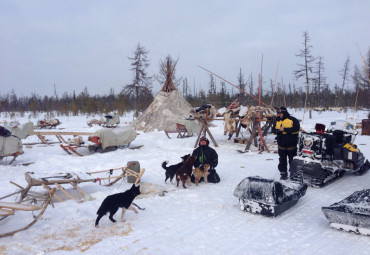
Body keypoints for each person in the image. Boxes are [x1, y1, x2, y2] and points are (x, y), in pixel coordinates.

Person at [273, 107, 300, 180]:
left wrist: (285, 129)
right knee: (282, 160)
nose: (279, 115)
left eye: (280, 113)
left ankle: (293, 174)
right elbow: (273, 130)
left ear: (284, 113)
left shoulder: (293, 120)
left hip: (291, 144)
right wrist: (278, 131)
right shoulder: (277, 120)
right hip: (281, 144)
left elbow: (296, 129)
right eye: (278, 114)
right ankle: (283, 173)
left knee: (292, 160)